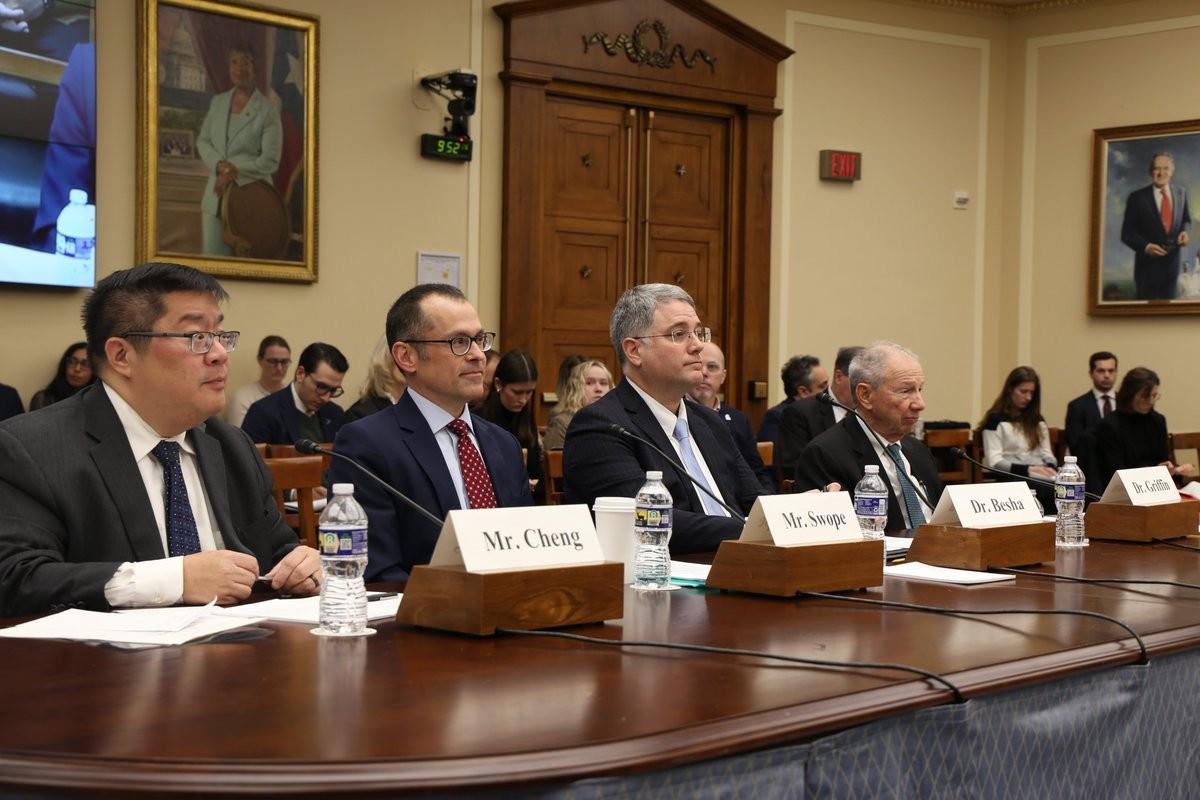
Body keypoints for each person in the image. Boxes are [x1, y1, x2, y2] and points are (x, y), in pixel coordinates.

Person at [0, 262, 319, 615]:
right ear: (122, 356)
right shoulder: (33, 449)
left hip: (241, 643)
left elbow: (278, 552)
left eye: (220, 336)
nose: (219, 354)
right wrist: (175, 580)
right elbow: (15, 578)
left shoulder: (232, 446)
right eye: (197, 337)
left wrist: (302, 565)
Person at [330, 284, 532, 581]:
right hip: (422, 607)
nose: (479, 355)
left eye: (479, 340)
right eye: (459, 342)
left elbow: (529, 550)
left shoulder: (504, 444)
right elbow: (376, 572)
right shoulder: (366, 445)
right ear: (406, 356)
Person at [563, 284, 763, 554]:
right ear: (634, 351)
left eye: (698, 332)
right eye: (679, 334)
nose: (698, 346)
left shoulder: (710, 422)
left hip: (744, 564)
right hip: (667, 572)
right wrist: (751, 529)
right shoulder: (601, 426)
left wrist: (796, 513)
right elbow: (648, 521)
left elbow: (754, 501)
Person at [794, 341, 943, 532]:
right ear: (865, 395)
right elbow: (839, 537)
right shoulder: (825, 455)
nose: (920, 404)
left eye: (919, 390)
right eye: (906, 391)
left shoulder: (918, 450)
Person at [195, 44, 282, 256]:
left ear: (255, 67)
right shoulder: (218, 102)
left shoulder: (268, 110)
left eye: (245, 62)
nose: (239, 68)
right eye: (234, 62)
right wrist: (220, 166)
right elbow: (203, 141)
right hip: (215, 199)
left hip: (252, 199)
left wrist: (232, 172)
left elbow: (270, 161)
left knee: (248, 266)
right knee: (212, 267)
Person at [688, 341, 774, 493]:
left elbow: (758, 472)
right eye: (698, 365)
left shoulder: (739, 420)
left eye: (712, 367)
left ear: (723, 376)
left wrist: (769, 502)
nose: (704, 372)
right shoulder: (675, 414)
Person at [1094, 367, 1196, 491]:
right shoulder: (1110, 425)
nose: (1151, 401)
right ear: (1129, 395)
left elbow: (1162, 459)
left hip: (1156, 488)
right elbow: (1115, 472)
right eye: (1145, 396)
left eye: (1154, 395)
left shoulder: (1157, 421)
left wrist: (1174, 470)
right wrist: (1154, 471)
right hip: (1125, 490)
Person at [777, 346, 863, 479]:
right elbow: (794, 469)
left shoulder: (868, 414)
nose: (865, 388)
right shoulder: (800, 412)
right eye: (859, 381)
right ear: (839, 377)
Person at [978, 366, 1057, 508]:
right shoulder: (995, 420)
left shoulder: (1037, 420)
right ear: (1010, 389)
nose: (1028, 398)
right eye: (1023, 391)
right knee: (1043, 489)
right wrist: (1028, 470)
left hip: (1041, 473)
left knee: (1069, 486)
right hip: (1011, 475)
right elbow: (994, 461)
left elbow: (1047, 453)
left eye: (1032, 393)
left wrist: (1050, 467)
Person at [241, 342, 348, 446]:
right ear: (300, 374)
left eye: (333, 390)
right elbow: (248, 457)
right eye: (321, 387)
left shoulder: (335, 413)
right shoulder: (262, 413)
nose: (326, 398)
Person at [1121, 153, 1191, 300]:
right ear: (1150, 171)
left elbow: (1185, 220)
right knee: (1147, 313)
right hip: (1146, 271)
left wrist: (1184, 231)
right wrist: (1146, 247)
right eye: (1156, 168)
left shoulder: (1181, 193)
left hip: (1172, 269)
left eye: (1166, 168)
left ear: (1172, 171)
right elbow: (1127, 233)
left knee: (1169, 313)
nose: (1161, 173)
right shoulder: (1137, 198)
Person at [478, 348, 544, 488]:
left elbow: (535, 469)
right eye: (517, 392)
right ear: (498, 384)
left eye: (529, 392)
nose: (523, 400)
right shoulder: (478, 418)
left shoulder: (526, 416)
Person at [1064, 351, 1117, 493]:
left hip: (1120, 469)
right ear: (1091, 373)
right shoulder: (1077, 406)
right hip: (1092, 473)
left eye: (1111, 371)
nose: (1107, 375)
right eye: (1101, 371)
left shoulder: (1126, 405)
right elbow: (1076, 445)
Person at [543, 359, 612, 450]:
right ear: (575, 389)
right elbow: (555, 458)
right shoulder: (562, 423)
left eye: (603, 383)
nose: (598, 389)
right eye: (589, 383)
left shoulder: (617, 421)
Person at [755, 354, 826, 444]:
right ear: (803, 392)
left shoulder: (823, 413)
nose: (828, 391)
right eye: (822, 386)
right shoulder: (778, 417)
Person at [226, 335, 290, 427]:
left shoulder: (292, 395)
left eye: (284, 362)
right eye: (273, 361)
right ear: (259, 360)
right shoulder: (243, 398)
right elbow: (237, 434)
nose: (279, 368)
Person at [344, 336, 407, 423]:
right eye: (404, 355)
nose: (409, 363)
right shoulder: (359, 416)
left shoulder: (420, 406)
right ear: (385, 357)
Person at [29, 341, 94, 410]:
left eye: (86, 364)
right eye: (72, 361)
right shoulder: (44, 398)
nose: (77, 369)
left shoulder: (99, 399)